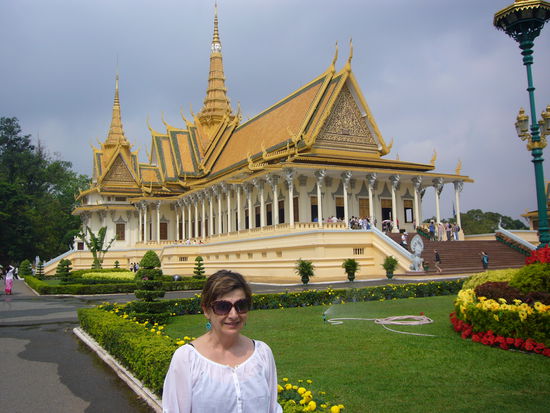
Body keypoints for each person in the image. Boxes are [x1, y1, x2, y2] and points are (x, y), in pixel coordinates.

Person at [162, 270, 282, 413]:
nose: (233, 315)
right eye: (222, 307)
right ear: (206, 310)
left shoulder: (262, 353)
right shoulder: (187, 359)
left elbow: (272, 408)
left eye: (241, 305)